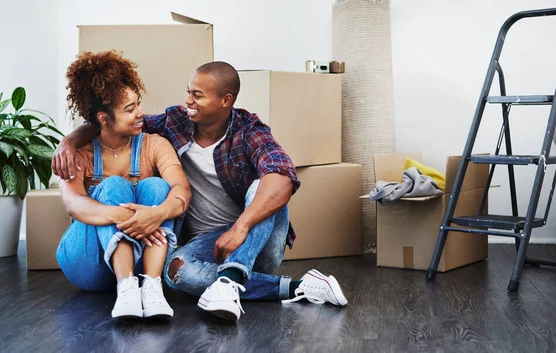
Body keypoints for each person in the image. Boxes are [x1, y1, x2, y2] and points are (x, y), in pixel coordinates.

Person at [53, 61, 348, 323]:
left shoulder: (250, 130)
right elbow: (115, 123)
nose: (187, 101)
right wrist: (68, 142)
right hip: (206, 244)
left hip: (254, 239)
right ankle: (293, 287)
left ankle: (230, 279)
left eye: (197, 95)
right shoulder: (176, 121)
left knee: (265, 184)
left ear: (225, 100)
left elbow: (283, 178)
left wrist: (241, 227)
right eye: (188, 91)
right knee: (176, 273)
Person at [55, 50, 192, 319]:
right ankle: (127, 286)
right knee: (114, 185)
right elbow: (73, 205)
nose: (141, 113)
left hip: (145, 260)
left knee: (156, 187)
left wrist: (157, 213)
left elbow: (181, 189)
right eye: (130, 109)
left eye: (138, 104)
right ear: (104, 119)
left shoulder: (155, 144)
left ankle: (151, 288)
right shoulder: (79, 153)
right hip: (88, 263)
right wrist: (128, 216)